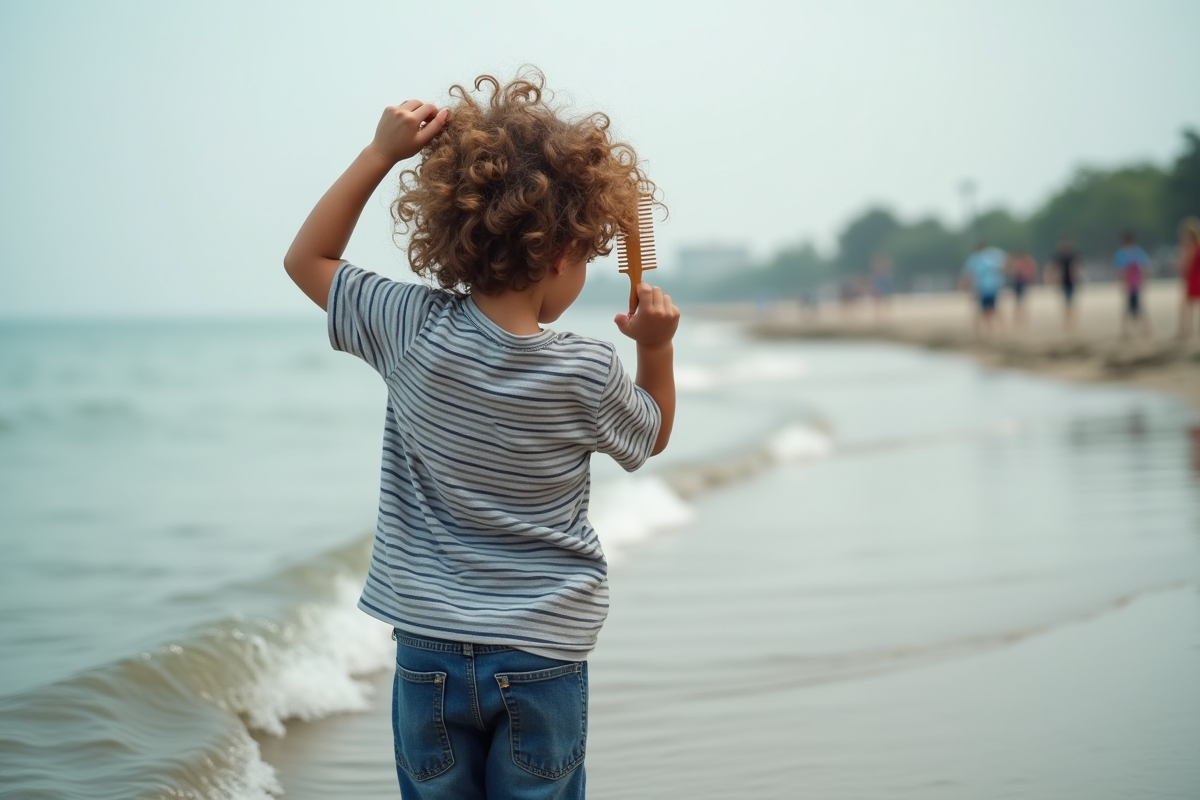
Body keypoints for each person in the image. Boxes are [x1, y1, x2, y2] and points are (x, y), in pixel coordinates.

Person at [283, 72, 679, 800]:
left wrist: (379, 154)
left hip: (425, 649)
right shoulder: (586, 368)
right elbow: (650, 434)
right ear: (559, 254)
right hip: (543, 653)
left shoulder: (407, 326)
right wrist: (655, 346)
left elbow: (306, 261)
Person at [961, 241, 1007, 336]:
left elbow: (969, 275)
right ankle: (998, 330)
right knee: (993, 309)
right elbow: (1004, 267)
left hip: (984, 288)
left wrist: (967, 289)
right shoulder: (994, 255)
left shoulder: (975, 258)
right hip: (992, 287)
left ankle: (988, 330)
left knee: (984, 310)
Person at [1113, 231, 1152, 339]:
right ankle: (1144, 330)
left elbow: (1120, 271)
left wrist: (1121, 284)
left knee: (1129, 308)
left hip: (1131, 285)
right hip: (1136, 284)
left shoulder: (1123, 253)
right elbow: (1145, 269)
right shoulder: (1138, 252)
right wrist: (1145, 282)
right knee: (1138, 308)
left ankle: (1126, 331)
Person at [1045, 237, 1082, 334]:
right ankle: (1067, 323)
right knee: (1066, 303)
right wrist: (1052, 279)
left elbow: (1077, 268)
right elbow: (1052, 268)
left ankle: (1070, 323)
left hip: (1071, 282)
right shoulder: (1059, 256)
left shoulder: (1073, 255)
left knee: (1070, 303)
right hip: (1063, 282)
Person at [1178, 217, 1200, 340]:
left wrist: (1181, 266)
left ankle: (1185, 330)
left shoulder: (1191, 246)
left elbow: (1188, 263)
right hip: (1198, 276)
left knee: (1185, 305)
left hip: (1192, 277)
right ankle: (1194, 330)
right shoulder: (1198, 245)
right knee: (1195, 305)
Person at [1007, 248, 1037, 328]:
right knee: (1023, 302)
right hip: (1024, 283)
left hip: (1018, 283)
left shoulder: (1017, 262)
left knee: (1017, 302)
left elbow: (1013, 272)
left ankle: (1017, 319)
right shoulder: (1028, 261)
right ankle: (1023, 319)